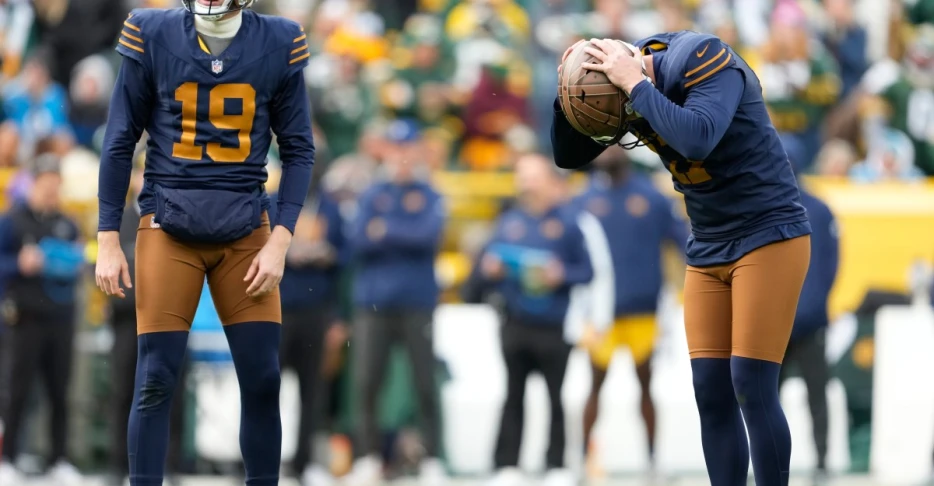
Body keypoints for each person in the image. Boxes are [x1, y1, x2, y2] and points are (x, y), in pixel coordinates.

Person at [553, 32, 812, 486]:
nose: (626, 119)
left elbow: (698, 139)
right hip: (709, 241)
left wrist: (635, 86)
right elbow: (567, 156)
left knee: (750, 380)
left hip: (768, 233)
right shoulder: (625, 87)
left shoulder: (701, 56)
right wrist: (568, 96)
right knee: (710, 389)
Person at [94, 1, 316, 485]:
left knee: (263, 379)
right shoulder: (151, 30)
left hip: (247, 228)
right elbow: (119, 139)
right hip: (168, 223)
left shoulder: (277, 40)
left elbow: (299, 147)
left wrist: (281, 237)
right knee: (155, 379)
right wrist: (108, 235)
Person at [470, 153, 594, 486]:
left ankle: (556, 463)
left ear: (549, 181)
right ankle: (507, 463)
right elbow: (481, 272)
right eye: (522, 176)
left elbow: (587, 271)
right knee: (513, 394)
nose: (527, 183)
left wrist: (560, 274)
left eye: (534, 176)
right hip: (515, 321)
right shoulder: (507, 221)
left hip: (554, 324)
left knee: (556, 396)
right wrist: (490, 270)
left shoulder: (569, 222)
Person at [573, 146, 688, 479]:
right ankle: (582, 459)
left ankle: (653, 460)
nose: (606, 153)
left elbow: (682, 241)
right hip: (601, 313)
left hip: (643, 309)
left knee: (646, 385)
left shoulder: (651, 196)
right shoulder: (584, 198)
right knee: (594, 385)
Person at [345, 119, 446, 486]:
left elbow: (428, 235)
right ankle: (368, 457)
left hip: (417, 301)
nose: (402, 155)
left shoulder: (429, 192)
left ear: (417, 150)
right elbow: (357, 240)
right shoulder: (372, 193)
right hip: (374, 302)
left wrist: (385, 230)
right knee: (367, 382)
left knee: (424, 381)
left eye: (408, 147)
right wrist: (398, 232)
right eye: (396, 147)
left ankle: (433, 457)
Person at [0, 154, 84, 486]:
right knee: (17, 390)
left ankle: (58, 458)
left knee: (59, 391)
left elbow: (77, 261)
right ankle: (8, 457)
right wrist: (18, 264)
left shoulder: (67, 222)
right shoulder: (13, 220)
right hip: (24, 319)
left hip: (61, 318)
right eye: (45, 182)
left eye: (56, 183)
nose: (51, 189)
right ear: (33, 182)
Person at [106, 157, 187, 486]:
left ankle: (171, 467)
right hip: (129, 320)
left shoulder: (178, 218)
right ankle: (118, 466)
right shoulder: (121, 221)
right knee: (124, 392)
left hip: (172, 320)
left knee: (173, 393)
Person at [271, 173, 348, 486]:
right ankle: (261, 458)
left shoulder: (329, 206)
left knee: (312, 391)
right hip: (277, 306)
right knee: (265, 387)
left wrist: (326, 253)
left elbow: (346, 255)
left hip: (316, 309)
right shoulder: (272, 201)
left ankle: (304, 463)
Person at [780, 185, 839, 484]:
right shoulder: (815, 206)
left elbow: (830, 263)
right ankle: (767, 461)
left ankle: (821, 462)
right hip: (782, 320)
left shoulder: (817, 207)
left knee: (814, 395)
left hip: (799, 321)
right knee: (764, 398)